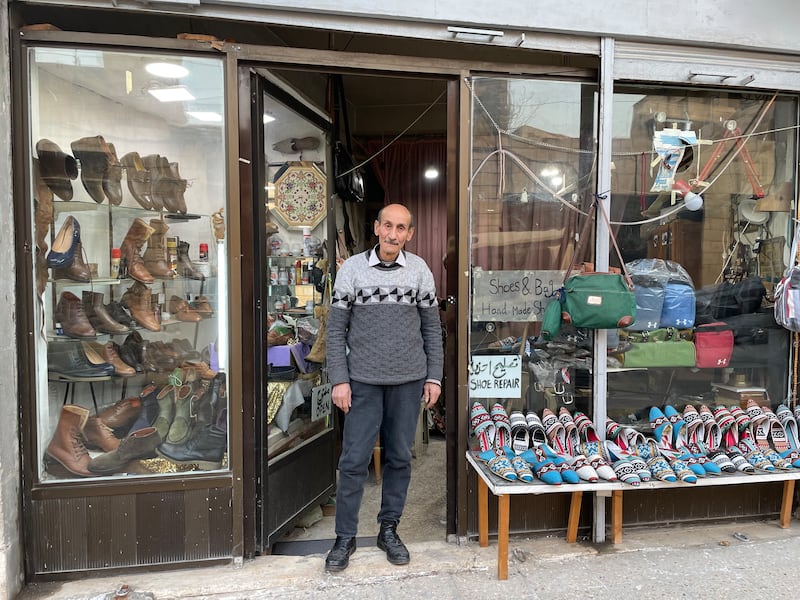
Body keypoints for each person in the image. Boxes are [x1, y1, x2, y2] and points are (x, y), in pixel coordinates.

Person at [324, 203, 444, 572]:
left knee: (399, 459)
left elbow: (432, 329)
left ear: (409, 234)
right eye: (387, 226)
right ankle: (344, 538)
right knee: (354, 461)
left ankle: (388, 530)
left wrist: (434, 376)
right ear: (376, 228)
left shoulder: (420, 270)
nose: (393, 233)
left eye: (401, 228)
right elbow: (335, 331)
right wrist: (339, 380)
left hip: (408, 382)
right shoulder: (352, 271)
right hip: (362, 383)